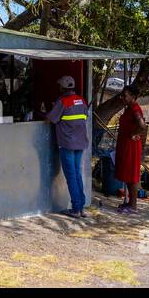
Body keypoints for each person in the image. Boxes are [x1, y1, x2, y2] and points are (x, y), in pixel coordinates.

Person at [45, 75, 90, 218]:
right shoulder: (81, 101)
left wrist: (43, 113)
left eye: (60, 86)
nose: (59, 88)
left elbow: (50, 119)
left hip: (67, 144)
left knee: (71, 176)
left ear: (63, 88)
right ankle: (81, 207)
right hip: (80, 143)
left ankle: (76, 209)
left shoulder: (63, 101)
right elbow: (84, 117)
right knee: (77, 174)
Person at [114, 84, 148, 213]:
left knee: (131, 174)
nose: (122, 97)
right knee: (127, 174)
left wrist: (134, 133)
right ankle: (129, 202)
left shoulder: (135, 109)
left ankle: (133, 206)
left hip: (131, 145)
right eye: (122, 95)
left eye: (125, 95)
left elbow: (142, 125)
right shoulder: (128, 108)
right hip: (124, 143)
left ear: (133, 97)